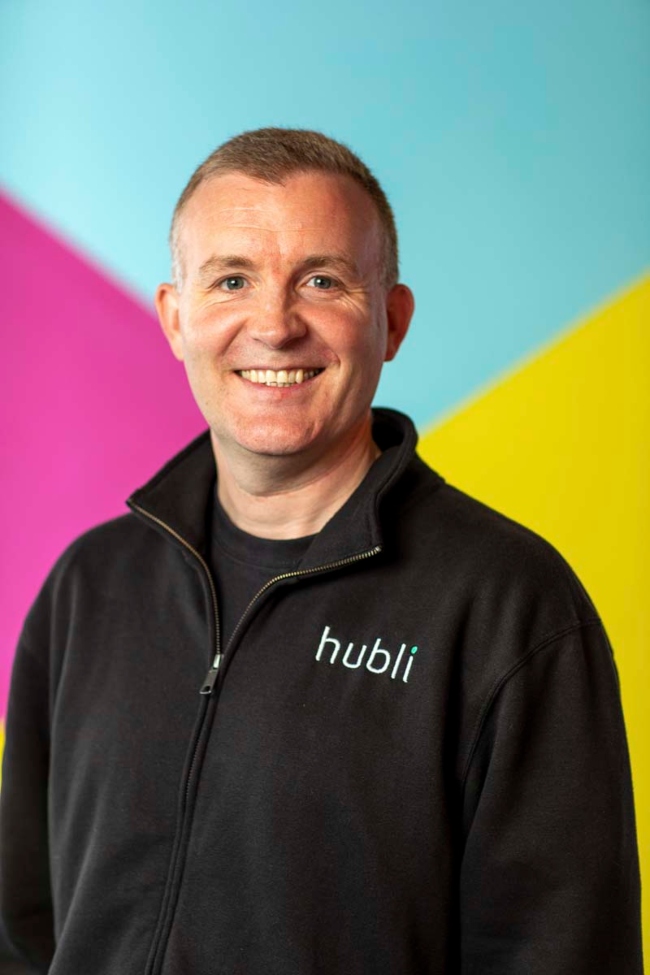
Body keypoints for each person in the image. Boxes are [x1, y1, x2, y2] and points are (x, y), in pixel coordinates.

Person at [0, 128, 642, 975]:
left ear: (392, 321)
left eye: (323, 280)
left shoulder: (507, 606)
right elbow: (21, 929)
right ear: (176, 318)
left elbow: (560, 953)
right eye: (232, 279)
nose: (274, 324)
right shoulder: (91, 586)